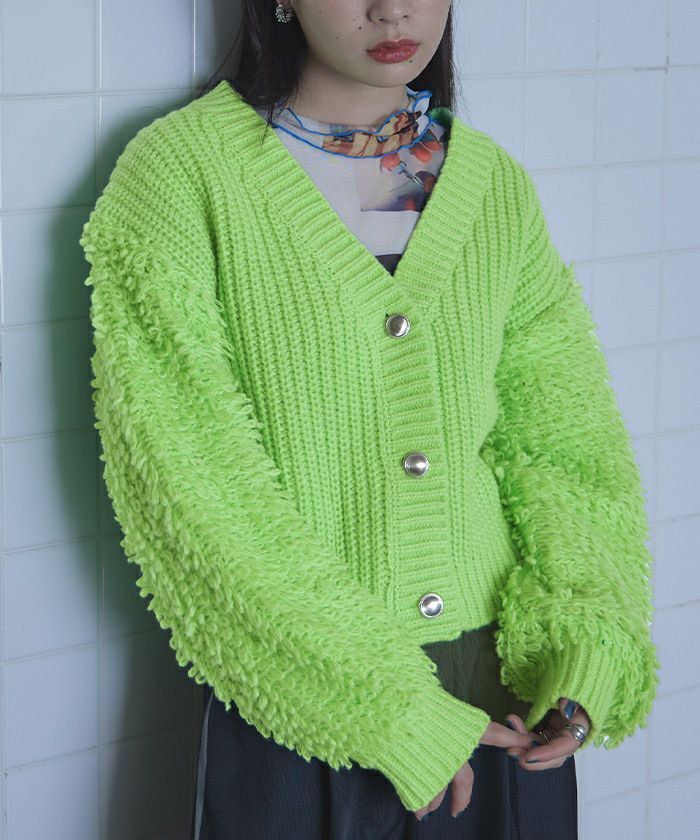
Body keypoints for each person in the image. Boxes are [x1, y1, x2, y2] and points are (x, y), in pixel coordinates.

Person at [79, 2, 660, 838]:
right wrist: (383, 709)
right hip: (298, 697)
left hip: (508, 697)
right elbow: (187, 483)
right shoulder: (180, 176)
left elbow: (567, 449)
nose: (393, 8)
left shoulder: (492, 186)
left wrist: (589, 652)